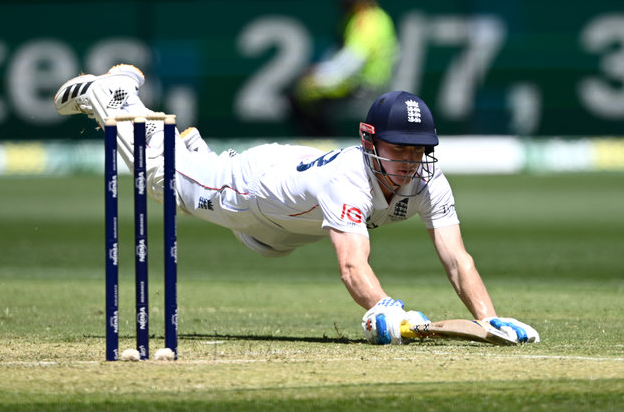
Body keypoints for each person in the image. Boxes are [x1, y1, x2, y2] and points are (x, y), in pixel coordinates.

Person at [54, 64, 540, 345]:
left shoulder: (429, 181)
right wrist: (384, 307)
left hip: (280, 226)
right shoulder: (350, 176)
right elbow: (353, 266)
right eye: (399, 148)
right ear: (370, 142)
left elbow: (457, 259)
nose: (411, 160)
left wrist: (487, 317)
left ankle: (193, 151)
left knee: (266, 247)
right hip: (251, 190)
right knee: (160, 181)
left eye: (419, 149)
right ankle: (115, 93)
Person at [288, 0, 399, 137]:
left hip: (361, 83)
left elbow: (354, 59)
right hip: (359, 80)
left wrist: (319, 78)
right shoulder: (376, 16)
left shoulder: (366, 20)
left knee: (301, 93)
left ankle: (325, 143)